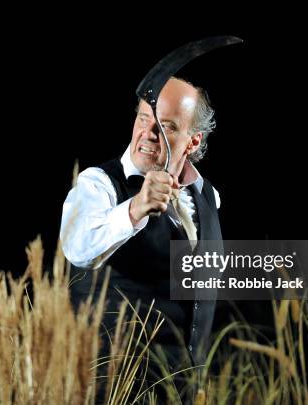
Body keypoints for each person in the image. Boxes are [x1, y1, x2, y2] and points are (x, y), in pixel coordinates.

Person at [60, 77, 223, 370]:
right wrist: (135, 208)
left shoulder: (209, 197)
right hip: (115, 387)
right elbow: (76, 247)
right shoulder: (99, 185)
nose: (148, 134)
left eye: (167, 126)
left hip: (185, 386)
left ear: (193, 140)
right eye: (143, 119)